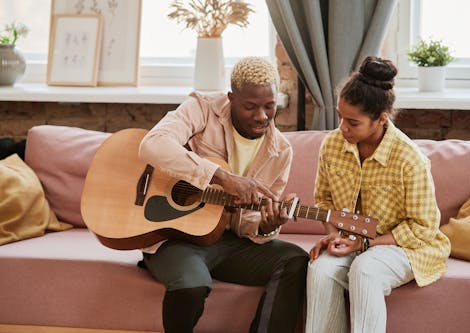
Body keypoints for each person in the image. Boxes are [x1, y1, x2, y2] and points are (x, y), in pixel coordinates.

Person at [138, 57, 309, 333]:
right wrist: (222, 178)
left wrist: (266, 226)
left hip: (229, 243)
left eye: (269, 106)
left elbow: (249, 224)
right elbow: (153, 145)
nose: (262, 116)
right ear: (231, 98)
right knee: (192, 285)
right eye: (250, 106)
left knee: (295, 260)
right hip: (175, 237)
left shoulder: (281, 151)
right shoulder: (202, 109)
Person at [305, 56, 451, 333]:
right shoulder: (332, 145)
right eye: (340, 117)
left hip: (404, 246)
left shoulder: (409, 158)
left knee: (365, 268)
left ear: (381, 119)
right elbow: (324, 201)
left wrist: (365, 245)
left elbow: (424, 227)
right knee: (320, 271)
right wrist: (335, 235)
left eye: (353, 122)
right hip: (353, 239)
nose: (342, 128)